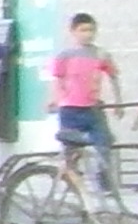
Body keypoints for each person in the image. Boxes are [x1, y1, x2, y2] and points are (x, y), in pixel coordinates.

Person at [46, 13, 123, 175]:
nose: (88, 34)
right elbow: (57, 79)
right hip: (70, 108)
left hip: (92, 108)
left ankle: (103, 181)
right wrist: (55, 99)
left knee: (104, 145)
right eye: (83, 30)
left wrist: (118, 102)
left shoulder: (101, 54)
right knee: (71, 151)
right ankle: (72, 179)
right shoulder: (65, 55)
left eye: (91, 30)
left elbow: (113, 76)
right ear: (73, 31)